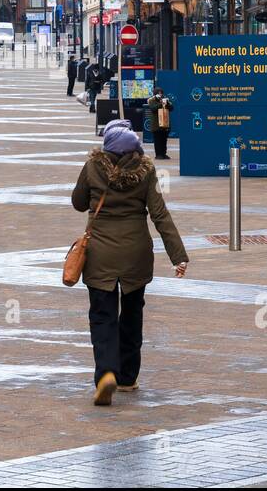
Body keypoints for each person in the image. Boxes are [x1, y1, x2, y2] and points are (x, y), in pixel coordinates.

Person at [72, 120, 189, 406]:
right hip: (136, 253)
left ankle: (106, 374)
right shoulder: (146, 172)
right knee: (133, 313)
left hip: (100, 253)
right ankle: (127, 377)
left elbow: (78, 202)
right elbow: (160, 215)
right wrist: (179, 256)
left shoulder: (91, 168)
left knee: (103, 316)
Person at [147, 87, 174, 160]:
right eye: (158, 93)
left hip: (165, 123)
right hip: (156, 124)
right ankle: (158, 154)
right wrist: (160, 103)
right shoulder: (151, 100)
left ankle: (164, 154)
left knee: (164, 139)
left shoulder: (165, 99)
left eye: (161, 93)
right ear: (155, 94)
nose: (160, 94)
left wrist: (167, 103)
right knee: (157, 140)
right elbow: (153, 108)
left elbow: (171, 108)